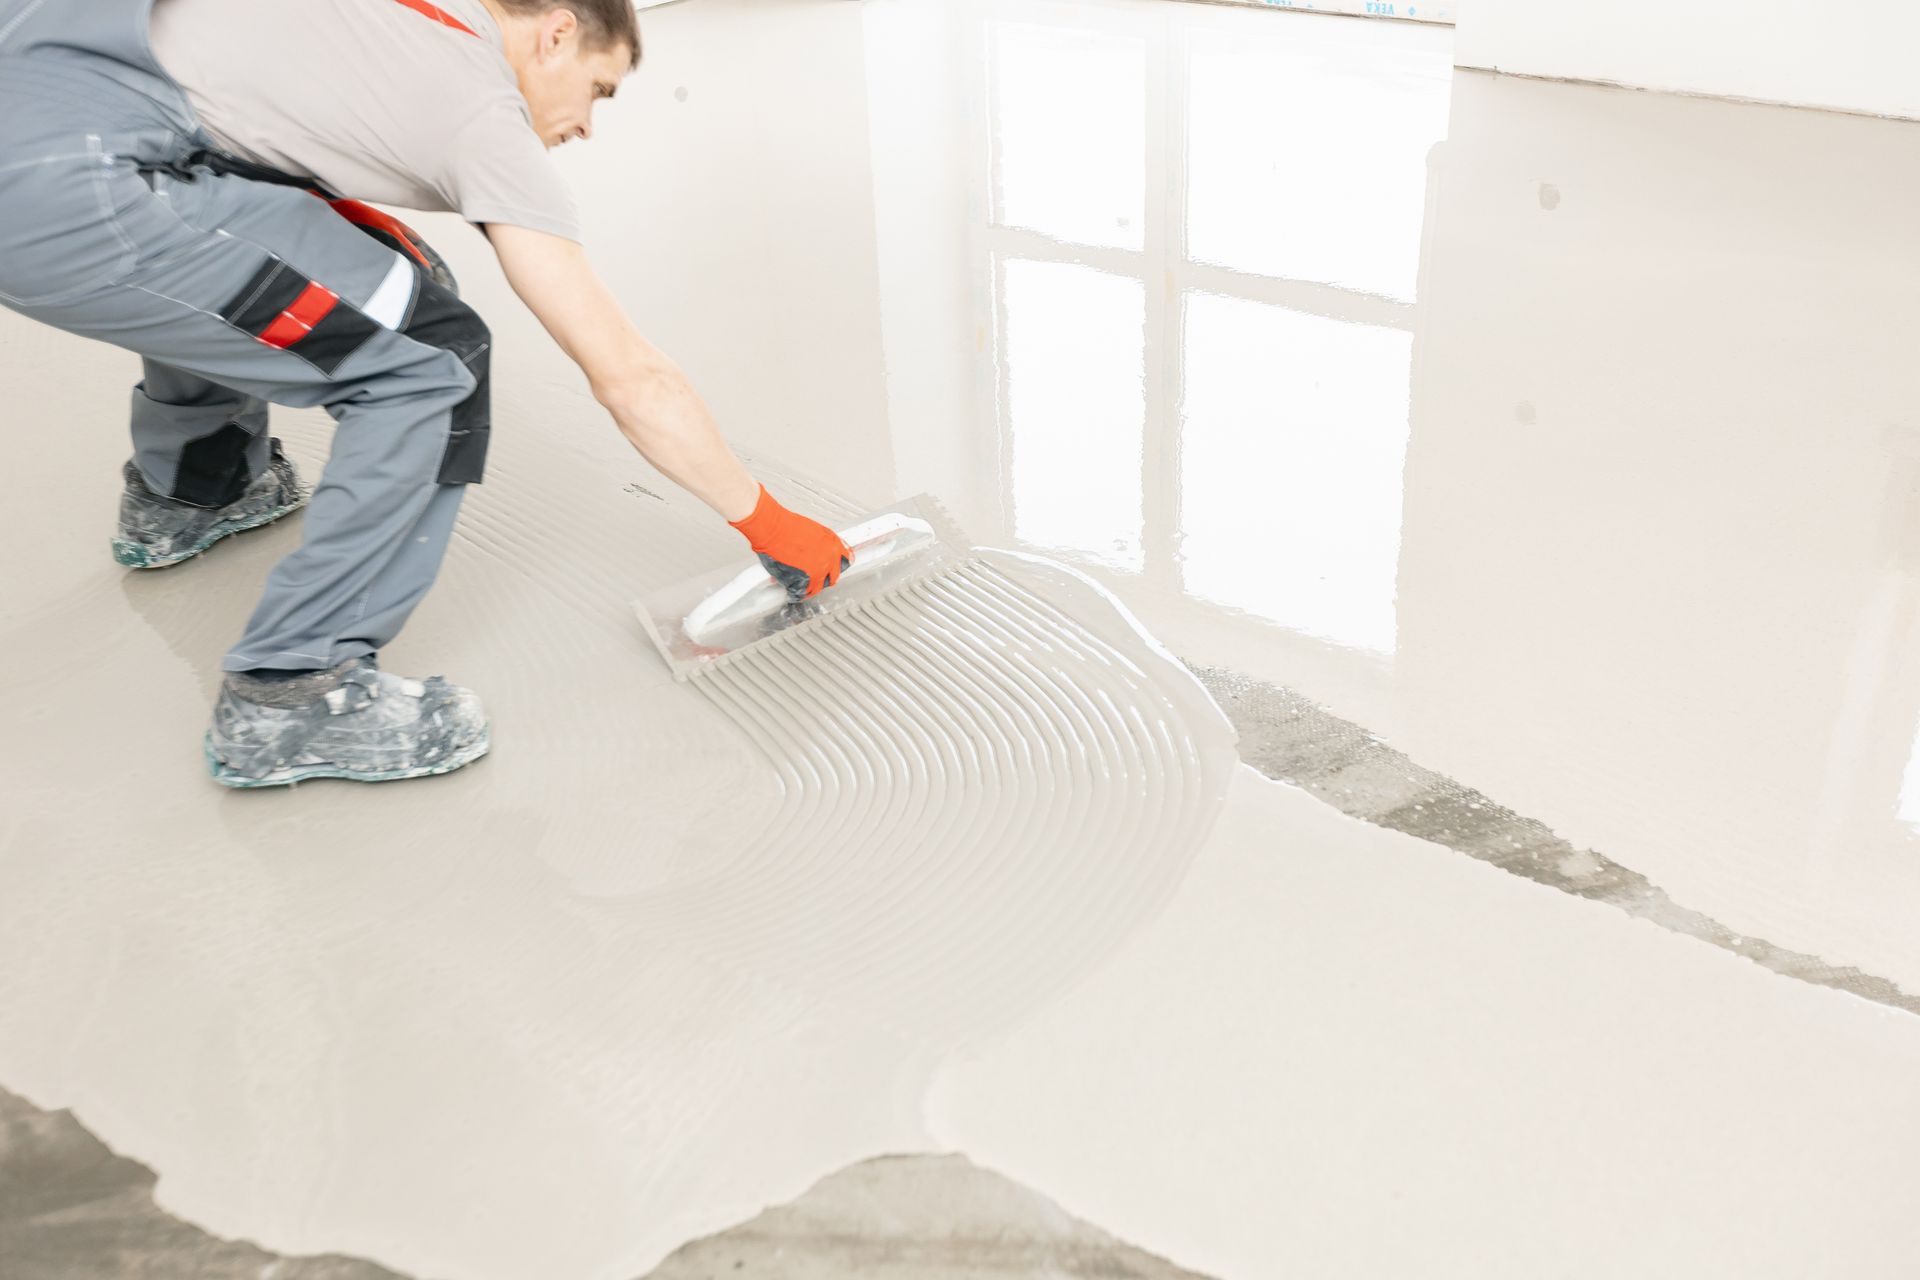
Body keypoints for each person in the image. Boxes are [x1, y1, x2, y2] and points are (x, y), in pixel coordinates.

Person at [0, 0, 851, 788]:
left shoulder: (413, 18)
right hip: (59, 187)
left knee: (380, 276)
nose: (587, 125)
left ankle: (200, 486)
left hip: (56, 71)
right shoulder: (480, 113)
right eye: (599, 88)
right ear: (556, 32)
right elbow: (629, 376)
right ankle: (294, 689)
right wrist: (767, 520)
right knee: (434, 361)